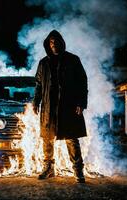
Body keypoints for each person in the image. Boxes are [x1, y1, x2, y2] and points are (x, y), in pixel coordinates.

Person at [33, 30, 88, 183]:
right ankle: (49, 169)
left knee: (71, 139)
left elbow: (82, 82)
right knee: (47, 140)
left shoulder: (73, 60)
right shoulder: (43, 63)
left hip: (68, 106)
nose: (54, 45)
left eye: (56, 42)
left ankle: (78, 170)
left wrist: (81, 103)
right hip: (49, 108)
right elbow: (38, 84)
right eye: (51, 43)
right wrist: (35, 102)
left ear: (61, 43)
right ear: (48, 45)